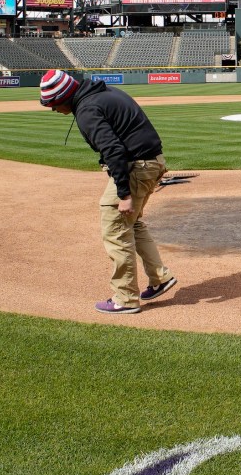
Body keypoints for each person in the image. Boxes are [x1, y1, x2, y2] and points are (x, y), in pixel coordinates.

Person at [39, 69, 178, 313]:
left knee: (115, 231)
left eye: (52, 104)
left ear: (63, 97)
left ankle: (125, 299)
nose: (52, 109)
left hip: (136, 166)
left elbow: (113, 150)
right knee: (132, 224)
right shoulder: (105, 93)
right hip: (152, 161)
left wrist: (123, 195)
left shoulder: (87, 109)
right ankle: (160, 278)